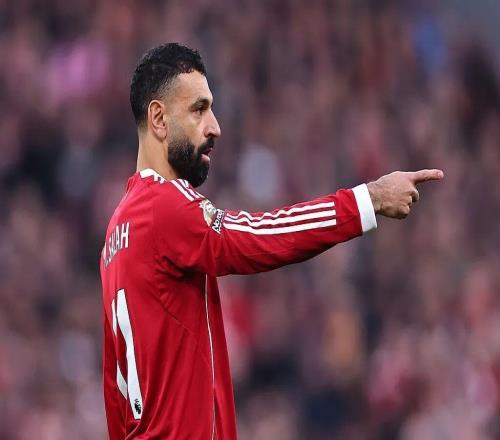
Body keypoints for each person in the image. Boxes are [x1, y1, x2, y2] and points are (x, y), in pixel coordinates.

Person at [100, 43, 443, 439]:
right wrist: (368, 199)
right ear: (158, 118)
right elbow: (258, 236)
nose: (214, 127)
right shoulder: (163, 205)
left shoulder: (115, 234)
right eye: (198, 110)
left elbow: (115, 388)